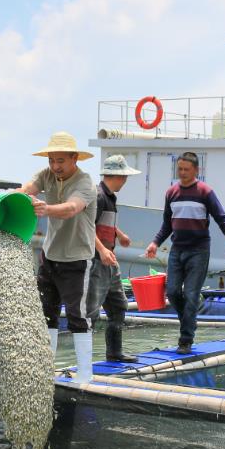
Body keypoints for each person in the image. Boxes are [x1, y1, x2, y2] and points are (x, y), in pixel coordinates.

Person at [18, 132, 97, 383]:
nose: (55, 166)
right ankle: (45, 371)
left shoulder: (85, 183)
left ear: (75, 158)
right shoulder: (47, 175)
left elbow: (72, 208)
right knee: (46, 313)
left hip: (76, 258)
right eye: (52, 160)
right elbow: (27, 189)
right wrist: (14, 195)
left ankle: (85, 374)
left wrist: (46, 208)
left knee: (77, 315)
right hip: (50, 256)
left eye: (61, 160)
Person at [144, 152, 225, 355]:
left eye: (187, 169)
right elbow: (167, 225)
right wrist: (154, 243)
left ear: (196, 170)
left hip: (199, 250)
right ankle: (189, 318)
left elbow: (222, 218)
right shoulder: (171, 193)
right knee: (172, 292)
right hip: (177, 250)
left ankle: (185, 340)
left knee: (191, 294)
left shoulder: (205, 192)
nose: (183, 173)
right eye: (180, 169)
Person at [86, 155, 141, 363]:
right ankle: (84, 359)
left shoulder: (110, 197)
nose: (125, 182)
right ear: (116, 176)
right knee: (90, 312)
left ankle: (114, 353)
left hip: (110, 260)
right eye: (124, 177)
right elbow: (87, 226)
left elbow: (103, 223)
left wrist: (119, 234)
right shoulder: (98, 196)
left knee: (118, 306)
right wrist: (101, 250)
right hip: (96, 261)